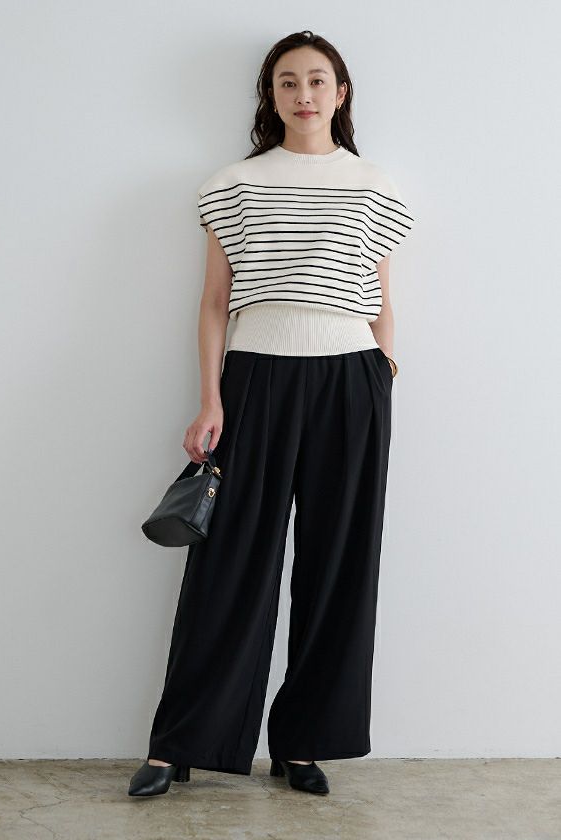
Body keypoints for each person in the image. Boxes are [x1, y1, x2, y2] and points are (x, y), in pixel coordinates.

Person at [129, 29, 415, 797]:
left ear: (341, 93)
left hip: (351, 381)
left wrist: (385, 368)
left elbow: (380, 294)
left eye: (318, 80)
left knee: (338, 566)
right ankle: (179, 743)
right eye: (288, 81)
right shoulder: (236, 184)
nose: (304, 94)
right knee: (229, 563)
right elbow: (214, 301)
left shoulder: (374, 186)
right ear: (271, 95)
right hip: (256, 378)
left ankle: (304, 741)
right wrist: (211, 397)